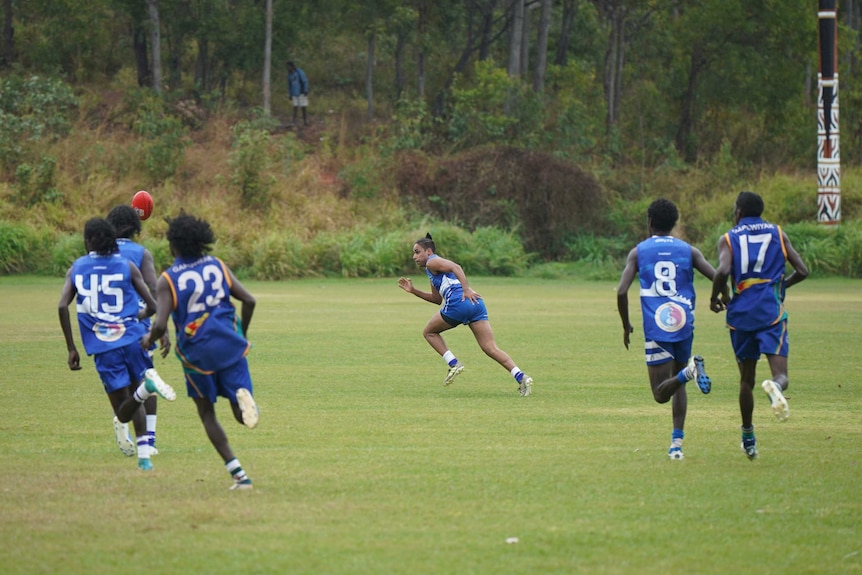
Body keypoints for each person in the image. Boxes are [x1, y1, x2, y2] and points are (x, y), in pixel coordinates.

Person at [141, 213, 260, 490]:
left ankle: (239, 476)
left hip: (197, 354)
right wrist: (242, 334)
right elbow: (249, 300)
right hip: (230, 345)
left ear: (175, 245)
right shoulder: (217, 265)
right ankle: (244, 401)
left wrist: (149, 338)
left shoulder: (168, 279)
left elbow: (159, 323)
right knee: (240, 415)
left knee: (207, 413)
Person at [58, 218, 177, 472]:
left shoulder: (77, 268)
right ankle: (144, 459)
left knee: (124, 411)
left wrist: (71, 348)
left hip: (104, 347)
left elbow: (61, 306)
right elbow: (154, 306)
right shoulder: (127, 265)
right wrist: (134, 320)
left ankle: (146, 389)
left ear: (88, 240)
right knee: (136, 397)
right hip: (133, 339)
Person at [617, 198, 724, 460]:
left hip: (657, 326)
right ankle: (676, 445)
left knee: (660, 393)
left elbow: (621, 290)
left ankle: (690, 372)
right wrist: (720, 299)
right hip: (684, 322)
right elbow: (719, 274)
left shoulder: (639, 252)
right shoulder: (690, 250)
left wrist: (626, 324)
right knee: (678, 385)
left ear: (650, 222)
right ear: (674, 223)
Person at [709, 190, 808, 460]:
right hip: (771, 313)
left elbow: (721, 272)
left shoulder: (728, 238)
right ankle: (776, 386)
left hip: (740, 316)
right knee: (781, 374)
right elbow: (803, 270)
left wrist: (715, 297)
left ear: (739, 211)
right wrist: (779, 287)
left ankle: (748, 436)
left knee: (746, 380)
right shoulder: (778, 233)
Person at [397, 233, 533, 396]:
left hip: (459, 302)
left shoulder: (433, 260)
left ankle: (454, 364)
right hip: (476, 303)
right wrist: (413, 291)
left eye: (417, 251)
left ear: (428, 251)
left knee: (429, 332)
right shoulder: (431, 270)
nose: (414, 256)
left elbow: (456, 267)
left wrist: (466, 289)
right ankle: (521, 376)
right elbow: (436, 299)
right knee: (490, 347)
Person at [106, 204, 171, 457]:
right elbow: (155, 290)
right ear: (136, 228)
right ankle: (149, 440)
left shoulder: (99, 252)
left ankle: (123, 423)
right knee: (146, 380)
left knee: (120, 385)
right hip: (137, 325)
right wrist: (160, 327)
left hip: (105, 328)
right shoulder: (141, 253)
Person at [286, 60, 309, 126]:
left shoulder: (299, 72)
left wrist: (305, 90)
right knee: (295, 106)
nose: (288, 68)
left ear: (292, 66)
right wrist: (290, 94)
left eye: (289, 67)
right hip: (294, 92)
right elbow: (289, 85)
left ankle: (305, 120)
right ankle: (294, 120)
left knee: (303, 106)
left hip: (301, 92)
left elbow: (304, 81)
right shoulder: (289, 75)